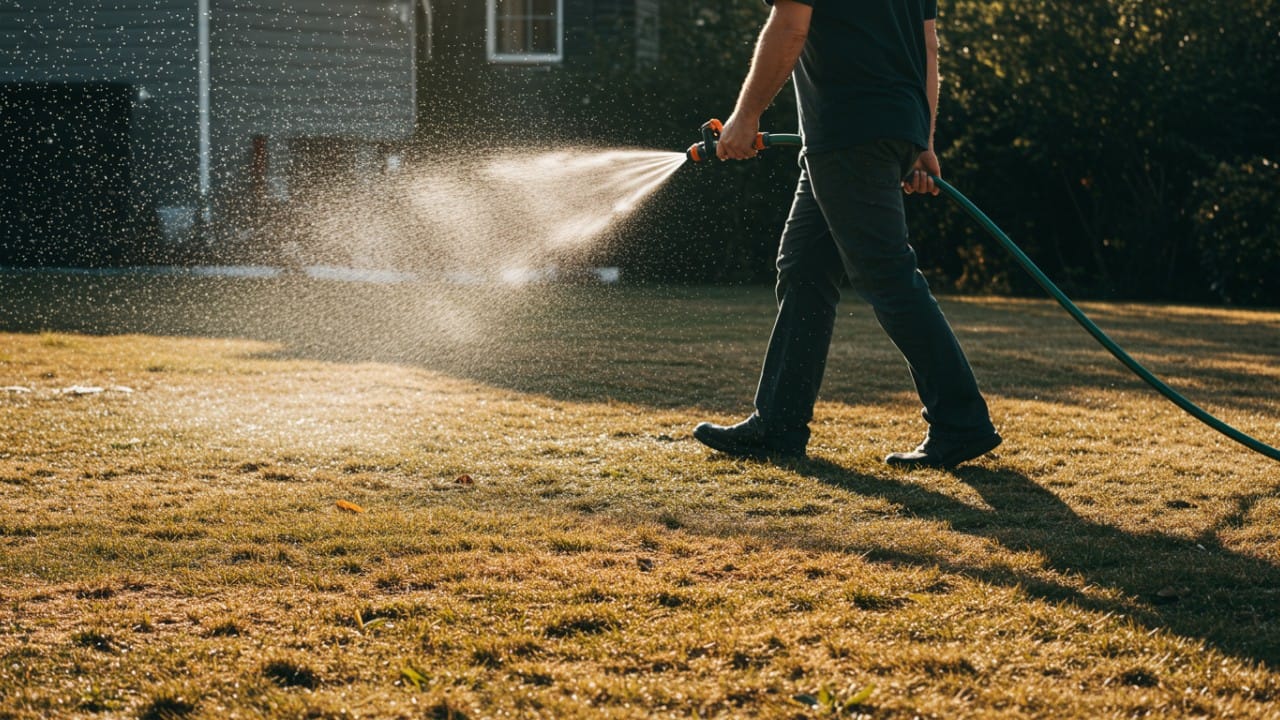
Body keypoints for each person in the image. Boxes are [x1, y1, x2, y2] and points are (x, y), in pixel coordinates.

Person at [692, 0, 1001, 468]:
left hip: (845, 132)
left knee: (888, 276)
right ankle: (778, 424)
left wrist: (745, 116)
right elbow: (928, 48)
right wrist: (922, 141)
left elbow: (791, 26)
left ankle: (962, 421)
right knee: (804, 269)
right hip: (880, 128)